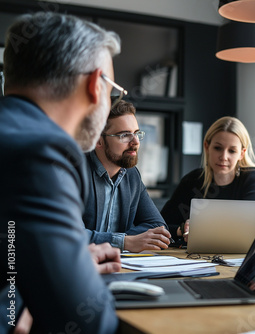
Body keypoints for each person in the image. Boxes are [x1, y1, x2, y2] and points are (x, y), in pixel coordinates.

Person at [0, 12, 123, 333]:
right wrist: (73, 272)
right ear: (96, 85)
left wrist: (66, 263)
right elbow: (88, 322)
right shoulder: (41, 148)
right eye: (113, 93)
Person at [160, 116, 255, 243]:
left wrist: (204, 230)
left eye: (232, 151)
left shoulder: (253, 178)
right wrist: (183, 229)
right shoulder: (192, 180)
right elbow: (161, 225)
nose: (224, 157)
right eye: (218, 148)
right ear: (207, 147)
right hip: (201, 257)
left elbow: (251, 228)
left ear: (242, 153)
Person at [83, 100, 172, 252]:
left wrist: (122, 241)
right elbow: (65, 233)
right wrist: (123, 242)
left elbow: (158, 227)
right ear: (98, 140)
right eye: (124, 135)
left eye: (136, 133)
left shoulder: (131, 175)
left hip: (119, 267)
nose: (135, 142)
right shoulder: (76, 171)